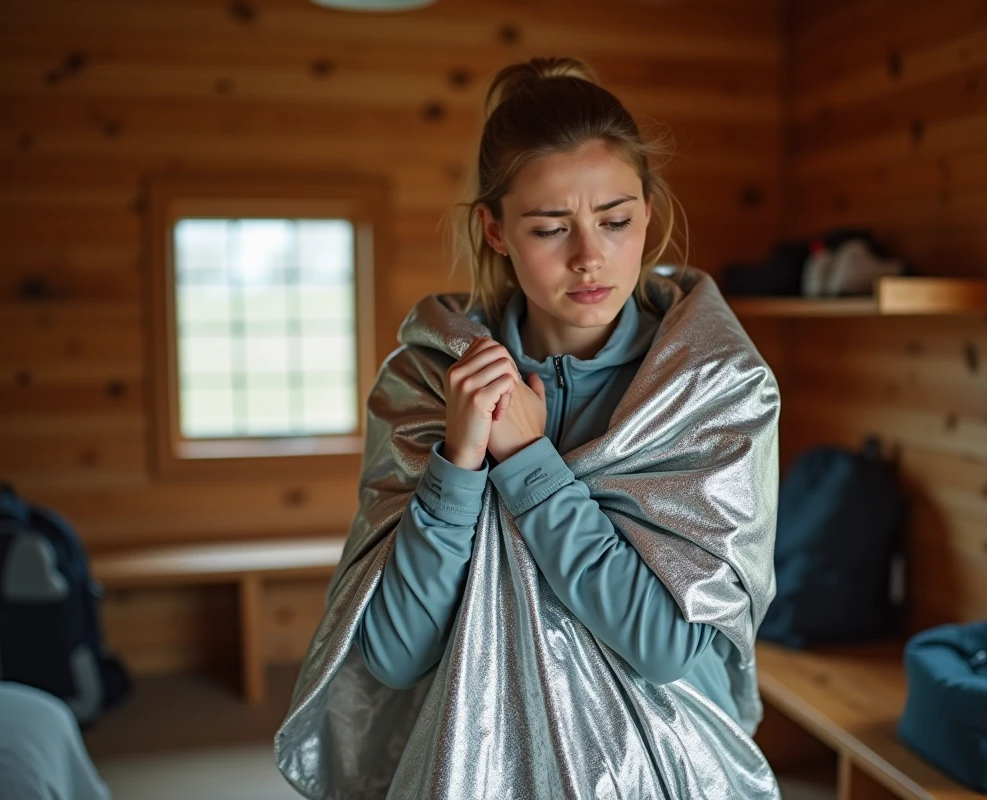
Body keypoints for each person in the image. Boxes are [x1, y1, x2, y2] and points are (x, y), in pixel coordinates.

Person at [276, 57, 781, 800]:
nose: (590, 258)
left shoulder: (713, 386)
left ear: (649, 209)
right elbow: (390, 653)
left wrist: (527, 459)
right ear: (496, 229)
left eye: (616, 221)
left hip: (657, 771)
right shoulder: (428, 378)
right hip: (470, 766)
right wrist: (459, 462)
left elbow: (668, 645)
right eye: (551, 228)